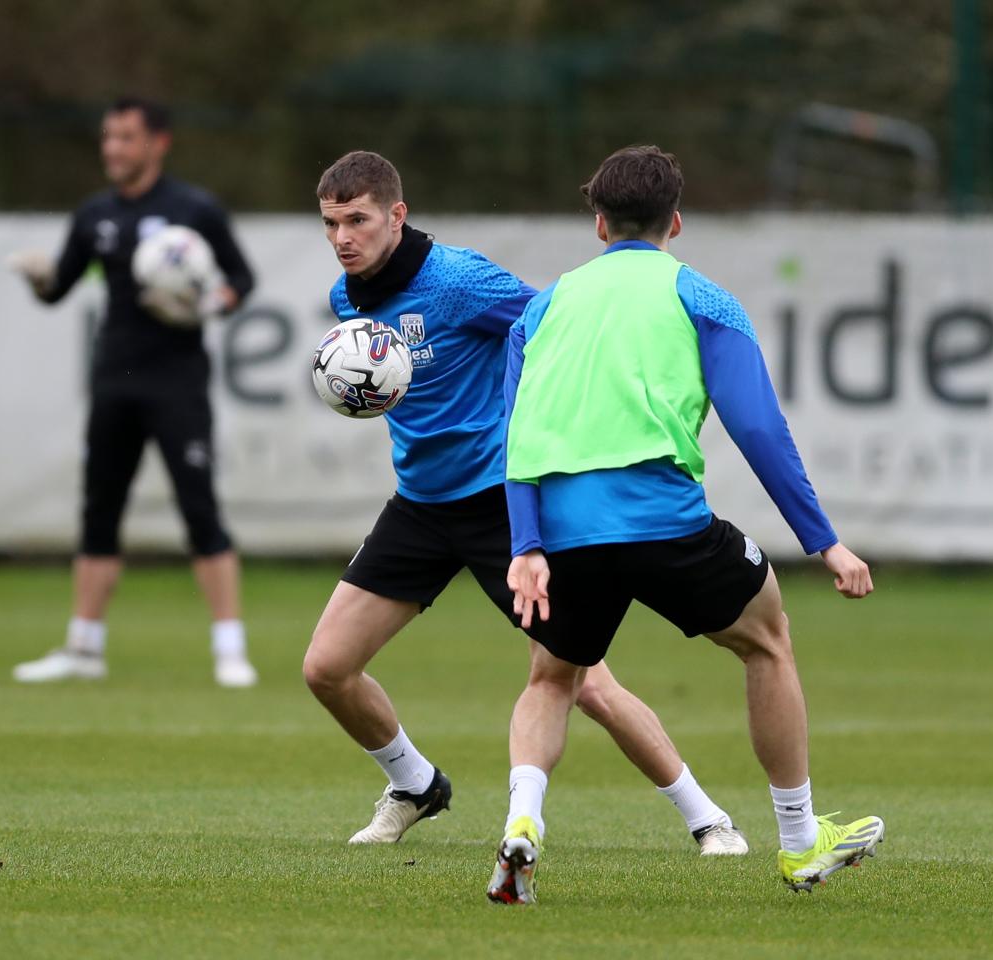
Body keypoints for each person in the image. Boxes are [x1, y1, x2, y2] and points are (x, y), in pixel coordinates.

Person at [304, 150, 748, 854]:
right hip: (419, 507)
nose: (342, 238)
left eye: (356, 220)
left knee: (584, 682)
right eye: (330, 224)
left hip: (497, 507)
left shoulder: (457, 280)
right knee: (326, 668)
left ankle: (707, 817)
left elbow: (550, 326)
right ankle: (415, 785)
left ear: (397, 214)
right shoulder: (346, 299)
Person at [492, 145, 884, 904]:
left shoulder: (543, 308)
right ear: (676, 220)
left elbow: (515, 436)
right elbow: (760, 430)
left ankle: (523, 824)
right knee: (767, 641)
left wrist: (526, 545)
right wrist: (823, 540)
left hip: (565, 532)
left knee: (551, 678)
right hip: (667, 524)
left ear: (599, 222)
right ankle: (801, 842)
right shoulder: (702, 298)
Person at [7, 96, 258, 688]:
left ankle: (230, 649)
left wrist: (209, 301)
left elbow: (241, 278)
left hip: (178, 382)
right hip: (113, 380)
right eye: (107, 137)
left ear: (157, 143)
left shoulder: (193, 209)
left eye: (125, 137)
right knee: (99, 510)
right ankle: (84, 648)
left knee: (199, 508)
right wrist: (41, 277)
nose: (112, 148)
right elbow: (59, 288)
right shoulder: (94, 214)